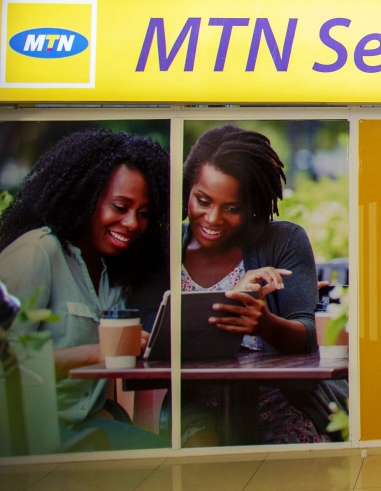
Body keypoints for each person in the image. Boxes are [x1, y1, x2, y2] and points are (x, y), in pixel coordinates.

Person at [0, 129, 170, 450]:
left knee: (161, 457)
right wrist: (100, 352)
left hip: (84, 423)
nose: (132, 223)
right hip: (26, 432)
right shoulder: (37, 252)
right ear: (84, 198)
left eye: (144, 213)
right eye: (120, 206)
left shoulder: (113, 269)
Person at [181, 125, 344, 444]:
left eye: (232, 208)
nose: (213, 218)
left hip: (280, 403)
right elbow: (147, 334)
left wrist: (265, 324)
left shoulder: (284, 241)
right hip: (195, 407)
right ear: (188, 190)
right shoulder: (167, 249)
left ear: (253, 205)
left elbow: (308, 334)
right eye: (202, 201)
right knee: (201, 457)